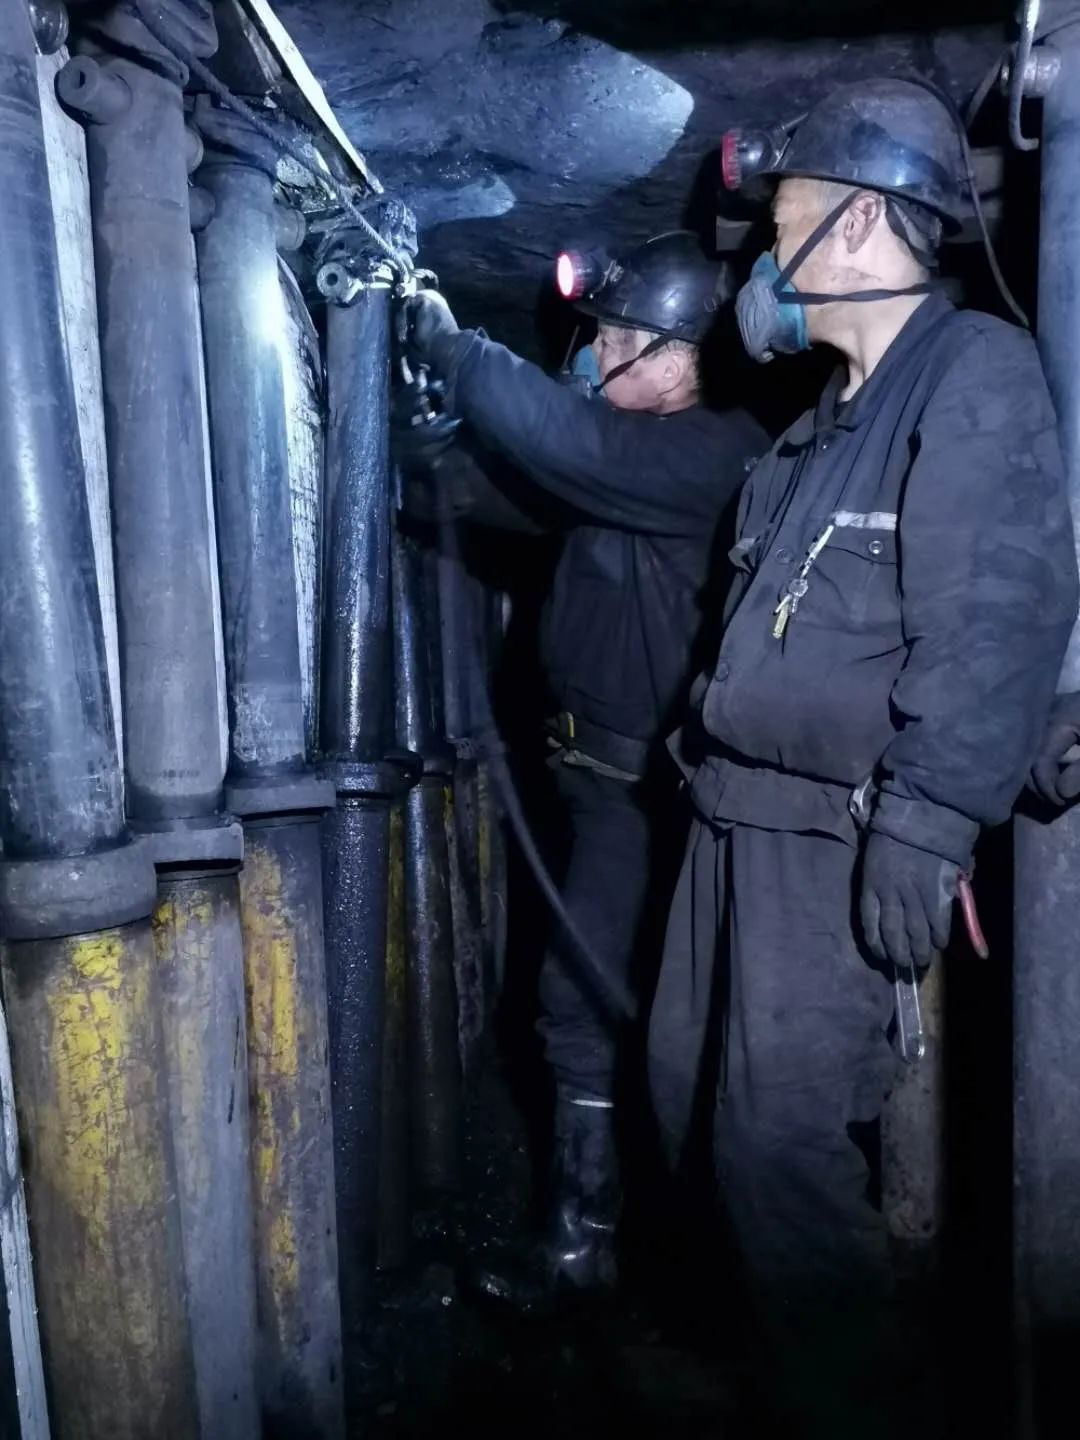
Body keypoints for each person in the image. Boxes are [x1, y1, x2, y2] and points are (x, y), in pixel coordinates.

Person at [645, 79, 1078, 1436]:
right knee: (682, 1096)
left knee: (775, 1152)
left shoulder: (970, 374)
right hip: (728, 816)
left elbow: (1000, 606)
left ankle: (855, 1407)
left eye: (785, 221)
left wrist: (930, 814)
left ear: (861, 228)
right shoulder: (814, 428)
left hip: (824, 836)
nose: (767, 253)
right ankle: (767, 1372)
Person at [404, 231, 768, 1309]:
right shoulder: (629, 460)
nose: (594, 354)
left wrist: (461, 352)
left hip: (664, 804)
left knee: (616, 1006)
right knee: (591, 998)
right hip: (599, 788)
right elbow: (523, 492)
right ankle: (602, 1242)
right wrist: (423, 460)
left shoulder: (718, 453)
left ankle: (619, 1250)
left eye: (615, 338)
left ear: (683, 358)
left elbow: (577, 453)